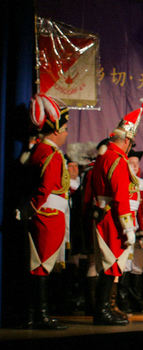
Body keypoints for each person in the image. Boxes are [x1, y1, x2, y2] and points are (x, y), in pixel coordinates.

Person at [90, 99, 143, 325]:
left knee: (108, 265)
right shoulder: (117, 160)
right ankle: (102, 310)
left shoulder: (103, 157)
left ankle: (105, 308)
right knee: (111, 264)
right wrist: (128, 227)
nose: (130, 147)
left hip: (103, 214)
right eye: (130, 144)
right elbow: (121, 196)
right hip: (113, 219)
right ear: (126, 140)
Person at [22, 94, 71, 330]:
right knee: (41, 265)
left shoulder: (39, 149)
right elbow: (46, 187)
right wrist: (31, 209)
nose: (66, 133)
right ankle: (40, 315)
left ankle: (34, 314)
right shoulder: (51, 153)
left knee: (38, 265)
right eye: (65, 129)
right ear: (56, 131)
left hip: (43, 213)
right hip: (48, 215)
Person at [117, 148, 143, 314]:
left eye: (136, 163)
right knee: (125, 263)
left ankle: (135, 299)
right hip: (126, 226)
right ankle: (122, 299)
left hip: (140, 227)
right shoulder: (122, 181)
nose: (134, 166)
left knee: (138, 264)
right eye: (131, 163)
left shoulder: (142, 184)